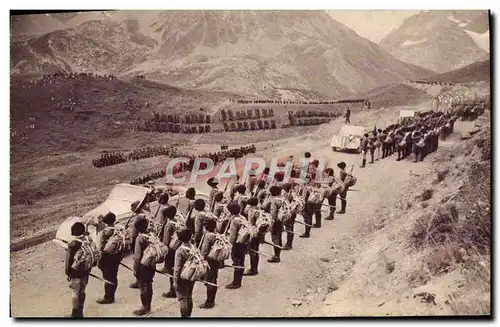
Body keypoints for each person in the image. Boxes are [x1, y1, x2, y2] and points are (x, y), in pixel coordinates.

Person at [65, 222, 92, 318]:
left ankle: (74, 314)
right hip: (86, 270)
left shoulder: (73, 244)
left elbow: (69, 261)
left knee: (75, 292)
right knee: (82, 290)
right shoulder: (88, 240)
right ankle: (81, 312)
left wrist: (68, 273)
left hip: (75, 272)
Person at [96, 212, 123, 304]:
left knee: (107, 277)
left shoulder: (104, 232)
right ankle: (112, 295)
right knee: (114, 276)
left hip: (106, 256)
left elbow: (100, 247)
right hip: (116, 256)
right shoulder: (119, 230)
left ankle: (108, 297)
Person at [133, 218, 155, 316]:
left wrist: (135, 269)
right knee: (149, 284)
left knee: (143, 287)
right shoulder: (151, 235)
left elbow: (137, 257)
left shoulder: (140, 238)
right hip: (151, 264)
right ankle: (148, 306)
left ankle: (144, 307)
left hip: (143, 265)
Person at [174, 228, 196, 317]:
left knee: (183, 298)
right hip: (191, 274)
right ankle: (189, 315)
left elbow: (177, 268)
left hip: (182, 277)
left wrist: (175, 281)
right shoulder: (193, 247)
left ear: (179, 239)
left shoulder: (180, 251)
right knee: (189, 296)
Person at [226, 202, 248, 289]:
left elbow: (232, 235)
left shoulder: (234, 220)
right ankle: (238, 281)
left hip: (237, 244)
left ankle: (236, 283)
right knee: (241, 261)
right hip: (243, 242)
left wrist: (229, 245)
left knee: (237, 262)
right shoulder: (242, 217)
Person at [199, 218, 220, 309]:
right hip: (216, 259)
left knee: (210, 281)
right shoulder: (216, 234)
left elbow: (204, 251)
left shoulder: (208, 236)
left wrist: (200, 260)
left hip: (209, 260)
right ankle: (212, 300)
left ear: (206, 227)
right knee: (214, 279)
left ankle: (209, 302)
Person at [160, 205, 179, 298]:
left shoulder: (169, 224)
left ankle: (173, 291)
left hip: (171, 250)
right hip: (178, 248)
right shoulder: (178, 221)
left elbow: (166, 240)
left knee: (171, 271)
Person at [245, 197, 263, 275]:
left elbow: (250, 222)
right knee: (255, 251)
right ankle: (254, 268)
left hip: (253, 232)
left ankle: (253, 270)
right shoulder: (259, 209)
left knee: (252, 251)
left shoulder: (252, 211)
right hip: (258, 232)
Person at [268, 185, 283, 263]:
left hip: (275, 221)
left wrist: (271, 223)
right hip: (280, 220)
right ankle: (278, 255)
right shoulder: (281, 199)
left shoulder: (273, 200)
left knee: (275, 238)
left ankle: (276, 256)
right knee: (279, 237)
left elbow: (273, 213)